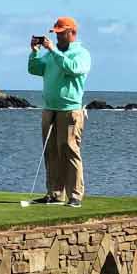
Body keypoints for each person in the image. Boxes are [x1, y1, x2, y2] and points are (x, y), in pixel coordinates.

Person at [27, 15, 92, 208]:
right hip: (50, 109)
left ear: (72, 33)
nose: (58, 37)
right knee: (51, 152)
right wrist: (34, 52)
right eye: (56, 34)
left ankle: (75, 195)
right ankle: (54, 193)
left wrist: (53, 51)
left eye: (61, 33)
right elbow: (34, 69)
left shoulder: (81, 54)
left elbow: (71, 68)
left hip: (70, 110)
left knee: (69, 150)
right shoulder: (51, 53)